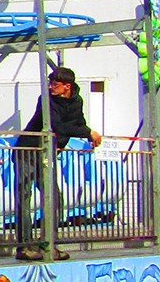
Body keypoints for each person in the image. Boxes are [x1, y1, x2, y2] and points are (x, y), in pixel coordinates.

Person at [15, 65, 99, 261]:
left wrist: (84, 133)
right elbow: (56, 125)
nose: (51, 87)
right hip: (28, 150)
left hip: (47, 152)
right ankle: (24, 246)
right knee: (24, 198)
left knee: (54, 197)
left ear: (67, 87)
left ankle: (48, 243)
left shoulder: (76, 100)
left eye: (55, 84)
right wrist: (87, 133)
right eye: (50, 83)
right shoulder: (46, 100)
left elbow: (77, 122)